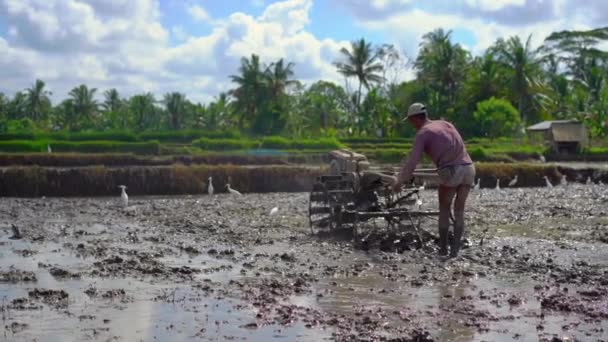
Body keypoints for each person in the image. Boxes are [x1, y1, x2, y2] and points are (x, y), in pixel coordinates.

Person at [391, 103, 475, 257]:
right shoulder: (445, 124)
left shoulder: (423, 133)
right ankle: (455, 251)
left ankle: (443, 250)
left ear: (415, 118)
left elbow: (412, 162)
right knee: (459, 211)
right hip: (469, 168)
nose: (411, 124)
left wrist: (399, 182)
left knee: (444, 208)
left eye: (410, 121)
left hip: (451, 170)